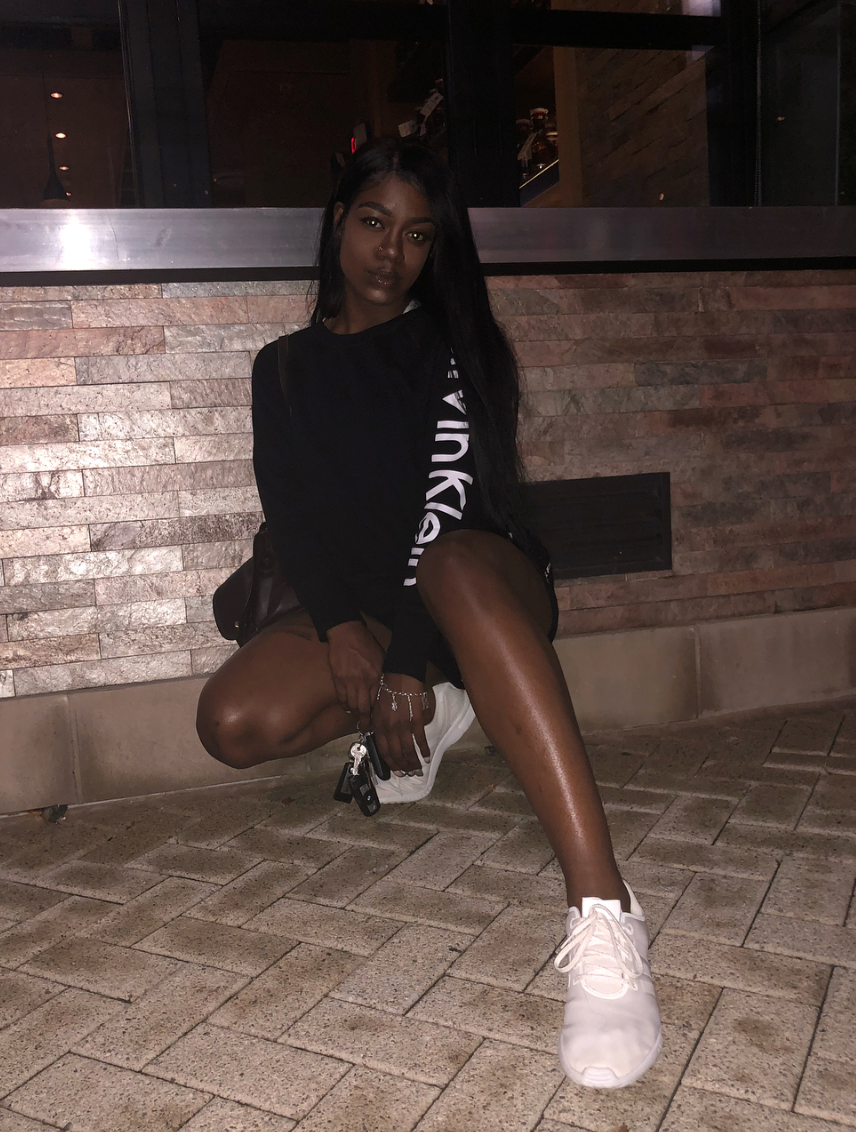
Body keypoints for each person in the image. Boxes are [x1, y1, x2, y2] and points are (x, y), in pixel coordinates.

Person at [196, 137, 662, 1089]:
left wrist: (406, 654)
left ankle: (604, 911)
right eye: (374, 222)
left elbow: (451, 508)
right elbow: (294, 519)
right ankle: (445, 709)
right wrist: (341, 630)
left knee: (447, 563)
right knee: (231, 721)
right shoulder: (281, 369)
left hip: (479, 585)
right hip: (369, 610)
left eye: (416, 234)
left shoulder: (452, 347)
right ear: (338, 222)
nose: (390, 251)